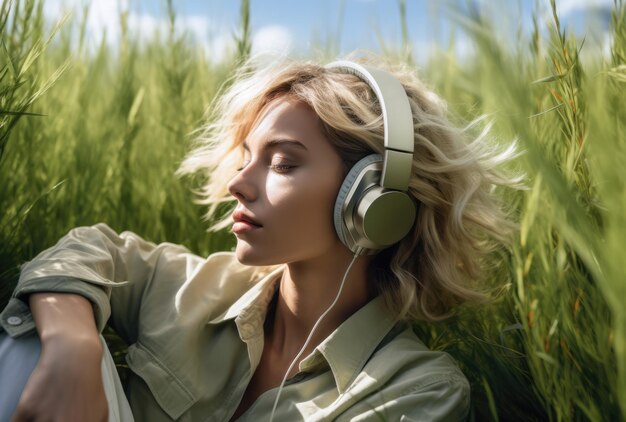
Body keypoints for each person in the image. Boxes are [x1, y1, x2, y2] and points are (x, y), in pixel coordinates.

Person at [0, 53, 518, 421]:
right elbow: (87, 251)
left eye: (283, 163)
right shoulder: (197, 288)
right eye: (246, 157)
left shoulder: (415, 393)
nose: (238, 184)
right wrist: (73, 347)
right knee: (32, 342)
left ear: (371, 202)